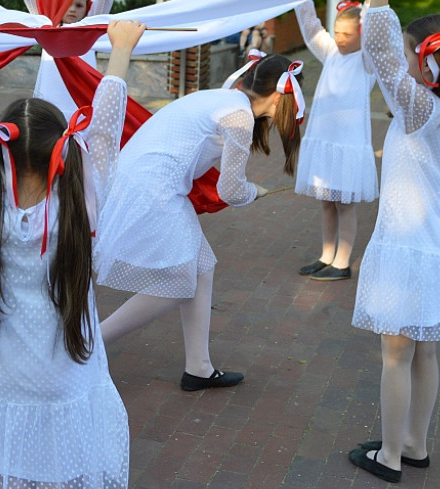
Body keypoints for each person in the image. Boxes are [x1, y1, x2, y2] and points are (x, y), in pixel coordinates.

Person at [0, 20, 143, 489]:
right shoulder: (81, 193)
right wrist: (119, 53)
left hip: (4, 364)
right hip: (65, 367)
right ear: (65, 150)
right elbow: (108, 127)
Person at [347, 0, 440, 483]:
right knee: (424, 354)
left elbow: (377, 48)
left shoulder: (415, 105)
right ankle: (415, 444)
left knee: (395, 357)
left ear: (422, 64)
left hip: (408, 250)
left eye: (409, 54)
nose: (398, 62)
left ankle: (391, 457)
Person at [95, 52, 307, 391]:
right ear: (281, 94)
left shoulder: (228, 99)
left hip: (147, 183)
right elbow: (230, 189)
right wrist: (255, 191)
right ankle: (92, 343)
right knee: (180, 281)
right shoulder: (239, 116)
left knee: (201, 266)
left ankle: (199, 367)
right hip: (152, 189)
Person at [293, 0, 378, 281]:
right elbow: (310, 26)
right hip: (325, 139)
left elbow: (376, 30)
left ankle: (342, 262)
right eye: (337, 33)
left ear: (362, 34)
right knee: (326, 201)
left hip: (348, 142)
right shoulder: (331, 53)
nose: (340, 39)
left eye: (348, 34)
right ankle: (326, 255)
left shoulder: (368, 61)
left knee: (344, 203)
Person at [13, 0, 119, 118]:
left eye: (78, 5)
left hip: (81, 98)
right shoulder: (47, 22)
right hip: (50, 98)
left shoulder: (89, 27)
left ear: (87, 7)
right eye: (67, 3)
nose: (72, 10)